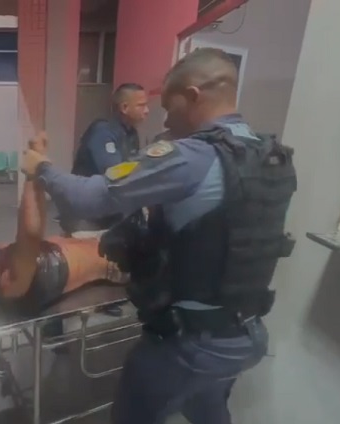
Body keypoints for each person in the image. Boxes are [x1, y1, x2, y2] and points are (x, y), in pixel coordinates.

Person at [21, 47, 297, 423]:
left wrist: (42, 169)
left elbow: (90, 197)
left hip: (191, 343)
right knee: (207, 408)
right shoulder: (269, 154)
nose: (165, 119)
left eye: (169, 107)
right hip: (246, 334)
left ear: (193, 96)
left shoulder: (192, 157)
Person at [0, 134, 126, 320]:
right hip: (119, 260)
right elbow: (30, 234)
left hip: (99, 241)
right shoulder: (9, 283)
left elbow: (31, 231)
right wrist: (33, 171)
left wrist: (37, 168)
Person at [61, 83, 149, 317]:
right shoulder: (102, 132)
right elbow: (115, 171)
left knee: (107, 257)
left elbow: (134, 168)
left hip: (109, 209)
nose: (147, 110)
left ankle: (103, 301)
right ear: (124, 107)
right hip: (85, 211)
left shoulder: (131, 134)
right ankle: (54, 322)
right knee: (76, 265)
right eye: (142, 105)